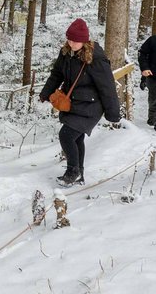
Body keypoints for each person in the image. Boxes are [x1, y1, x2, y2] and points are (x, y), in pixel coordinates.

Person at [38, 18, 121, 186]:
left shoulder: (96, 58)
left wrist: (113, 113)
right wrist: (46, 92)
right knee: (76, 139)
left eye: (75, 40)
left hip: (91, 106)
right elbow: (56, 74)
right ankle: (79, 174)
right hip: (74, 104)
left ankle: (72, 171)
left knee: (66, 135)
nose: (72, 43)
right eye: (69, 39)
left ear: (85, 40)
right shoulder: (66, 52)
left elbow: (107, 87)